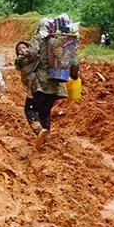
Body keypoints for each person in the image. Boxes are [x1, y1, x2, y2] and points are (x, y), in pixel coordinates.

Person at [14, 19, 80, 149]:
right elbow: (75, 63)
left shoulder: (39, 38)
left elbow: (31, 53)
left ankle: (39, 131)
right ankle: (47, 139)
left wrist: (22, 54)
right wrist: (74, 76)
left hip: (41, 84)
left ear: (39, 28)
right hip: (58, 86)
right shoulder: (64, 41)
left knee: (29, 109)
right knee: (45, 112)